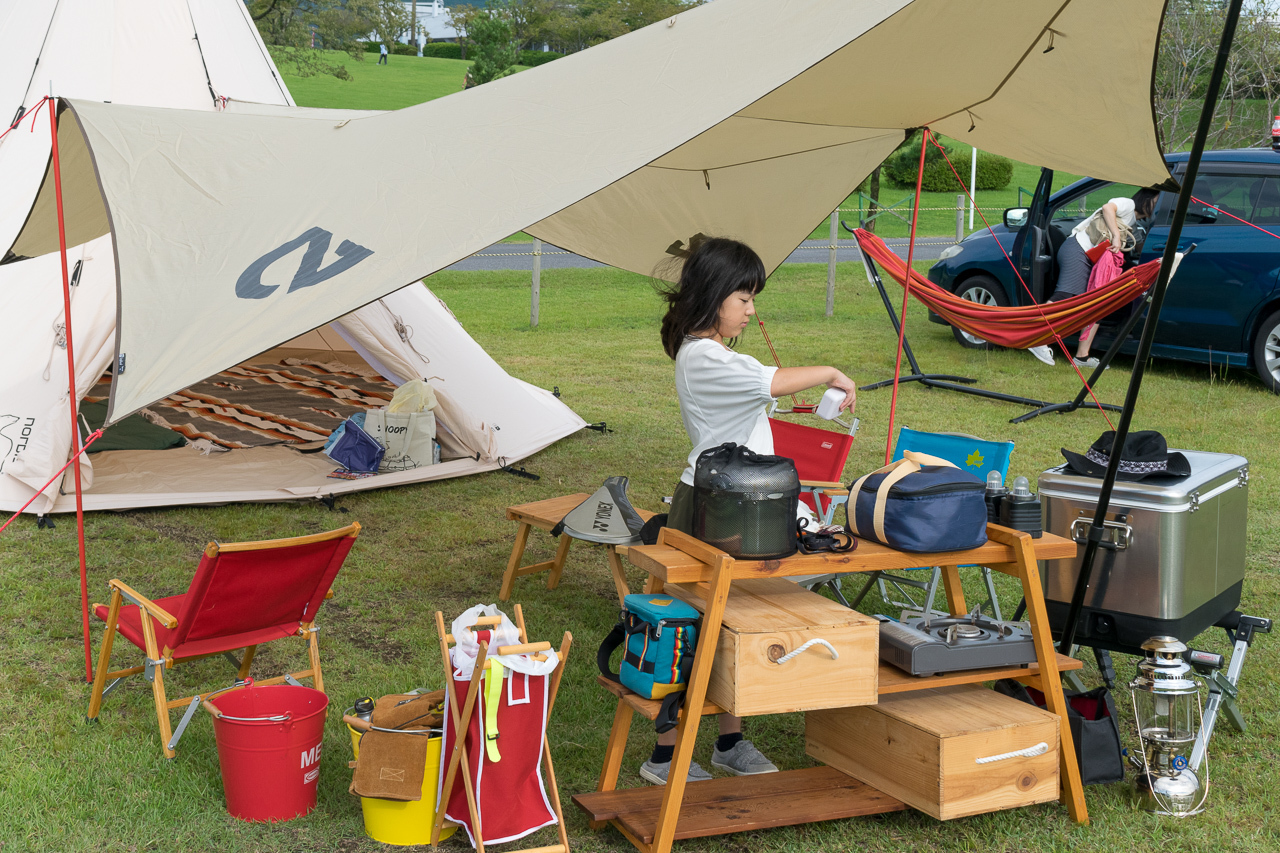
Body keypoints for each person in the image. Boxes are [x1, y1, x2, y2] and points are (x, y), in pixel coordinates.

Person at [645, 236, 857, 785]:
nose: (751, 309)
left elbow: (766, 391)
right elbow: (775, 381)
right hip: (714, 505)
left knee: (738, 621)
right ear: (717, 297)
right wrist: (832, 371)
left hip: (744, 499)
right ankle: (665, 756)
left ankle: (730, 741)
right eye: (745, 298)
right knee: (695, 626)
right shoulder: (705, 358)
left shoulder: (718, 354)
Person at [1027, 188, 1160, 369]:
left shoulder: (1134, 224)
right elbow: (1107, 208)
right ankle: (1035, 337)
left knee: (1097, 305)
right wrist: (1116, 235)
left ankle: (1082, 357)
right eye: (1157, 200)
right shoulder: (1127, 204)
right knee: (1066, 294)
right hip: (1078, 249)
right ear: (1146, 198)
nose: (1159, 204)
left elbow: (1140, 249)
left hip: (1093, 259)